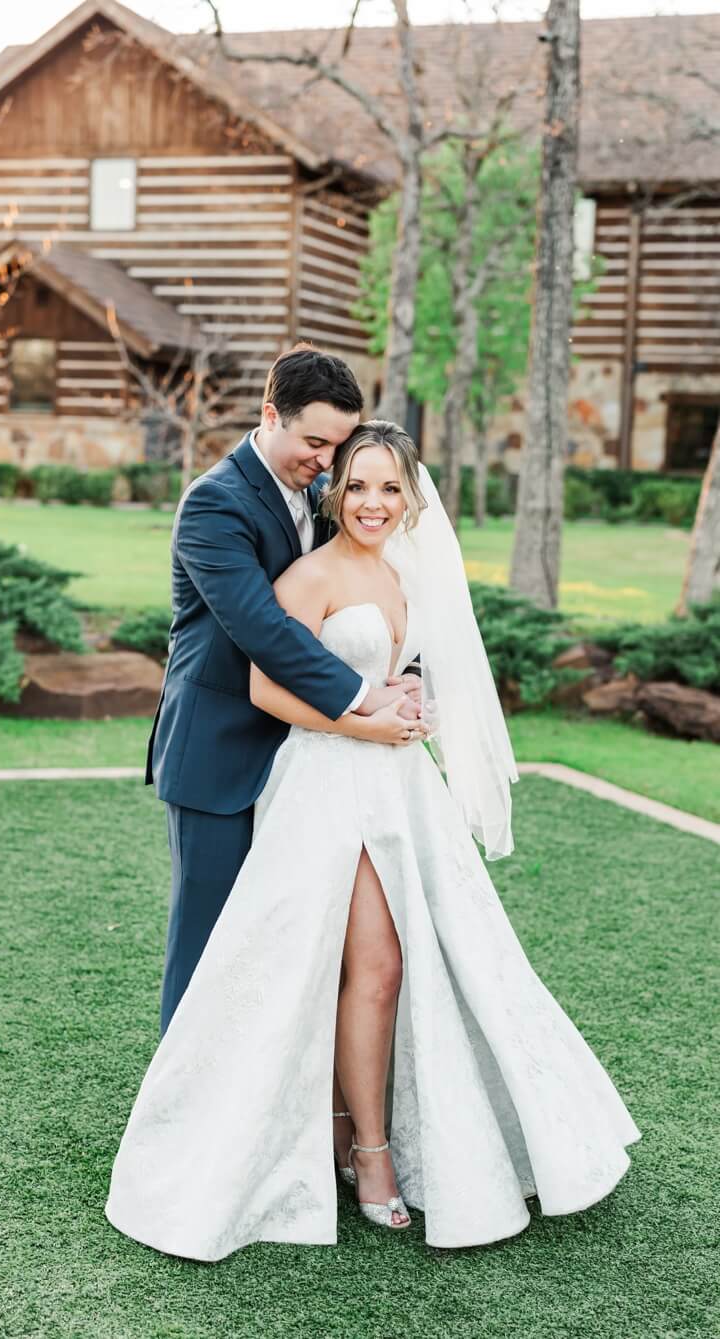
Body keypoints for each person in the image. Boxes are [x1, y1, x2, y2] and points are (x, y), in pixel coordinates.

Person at [106, 421, 637, 1259]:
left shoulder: (401, 576)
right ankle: (368, 1154)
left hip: (397, 789)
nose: (373, 502)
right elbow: (266, 690)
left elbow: (407, 665)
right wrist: (364, 723)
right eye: (357, 485)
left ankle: (360, 1124)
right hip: (326, 785)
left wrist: (413, 694)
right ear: (333, 492)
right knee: (365, 967)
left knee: (422, 961)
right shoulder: (309, 575)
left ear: (411, 497)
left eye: (390, 487)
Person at [148, 345, 423, 1035]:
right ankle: (184, 1120)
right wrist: (367, 698)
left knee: (291, 945)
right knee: (210, 943)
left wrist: (408, 676)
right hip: (219, 757)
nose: (329, 460)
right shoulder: (215, 502)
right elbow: (263, 629)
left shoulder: (321, 493)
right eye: (315, 441)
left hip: (304, 761)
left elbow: (365, 590)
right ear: (269, 414)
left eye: (339, 444)